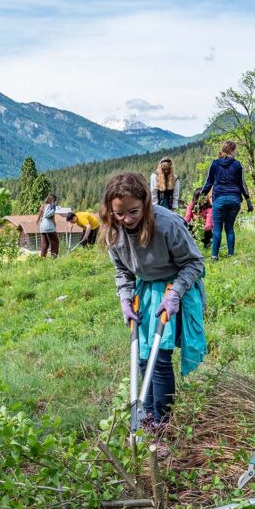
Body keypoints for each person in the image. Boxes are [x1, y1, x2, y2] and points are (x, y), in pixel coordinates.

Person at [101, 172, 206, 424]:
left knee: (159, 358)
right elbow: (123, 272)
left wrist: (174, 294)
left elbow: (195, 262)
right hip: (145, 292)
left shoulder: (167, 223)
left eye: (133, 212)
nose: (127, 219)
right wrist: (125, 298)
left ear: (146, 203)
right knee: (142, 357)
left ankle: (162, 422)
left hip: (174, 287)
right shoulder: (113, 232)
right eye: (119, 214)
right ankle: (146, 417)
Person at [200, 140, 253, 260]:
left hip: (219, 199)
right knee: (229, 227)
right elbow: (242, 184)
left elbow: (208, 183)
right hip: (234, 200)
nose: (236, 152)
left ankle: (214, 256)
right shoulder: (237, 165)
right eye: (235, 150)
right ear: (231, 151)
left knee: (217, 228)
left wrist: (201, 197)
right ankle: (231, 255)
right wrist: (248, 200)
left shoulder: (214, 164)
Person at [38, 193, 59, 258]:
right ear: (52, 200)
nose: (55, 202)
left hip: (42, 228)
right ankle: (54, 258)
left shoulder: (43, 205)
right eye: (54, 200)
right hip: (49, 228)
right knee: (55, 243)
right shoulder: (49, 206)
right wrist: (53, 209)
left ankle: (42, 259)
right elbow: (46, 215)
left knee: (45, 244)